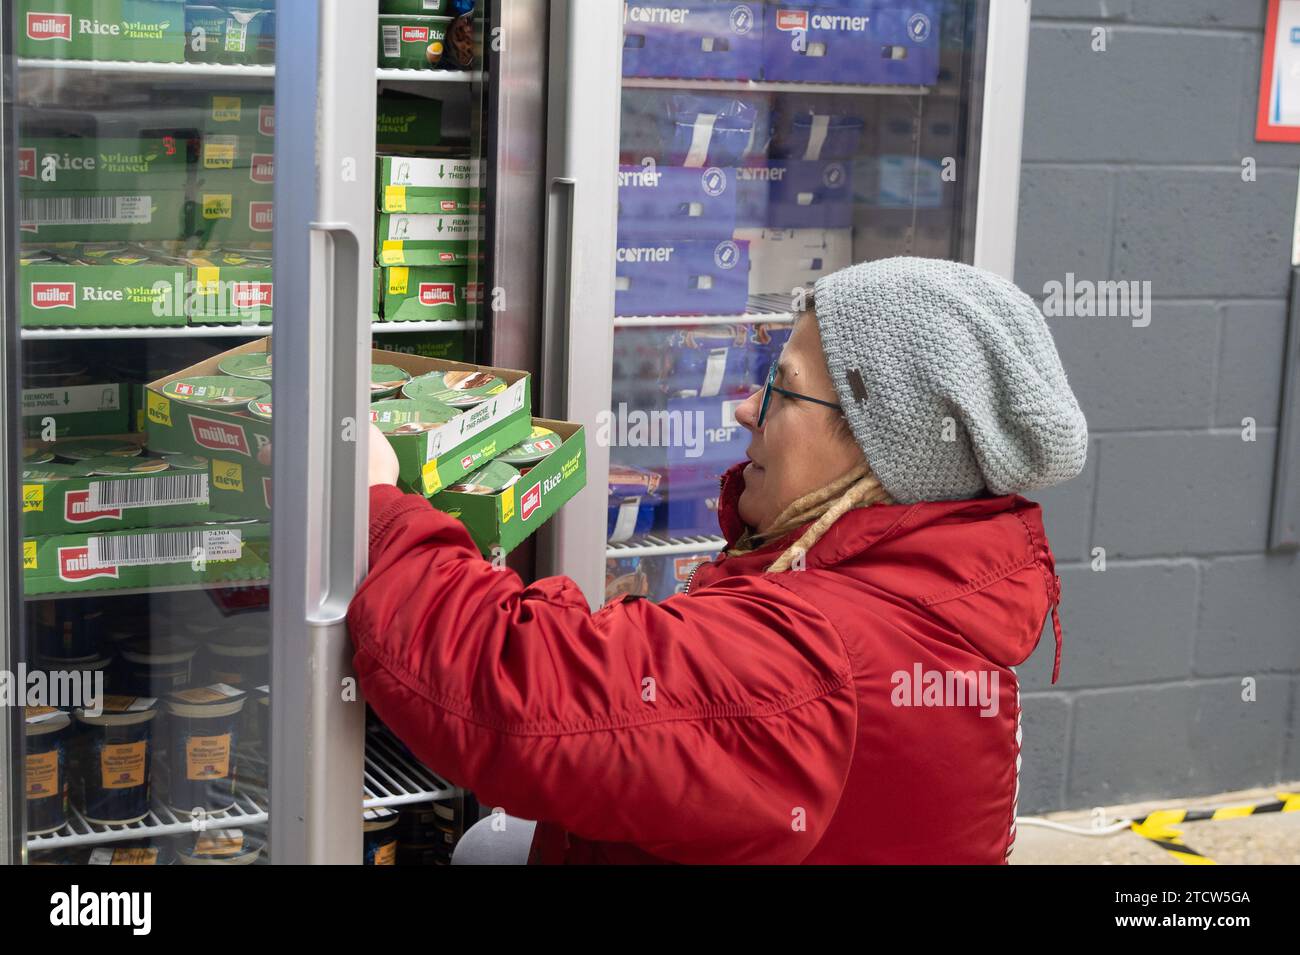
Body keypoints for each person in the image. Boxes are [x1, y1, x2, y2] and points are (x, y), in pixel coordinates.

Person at [347, 256, 1089, 864]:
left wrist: (379, 501)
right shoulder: (936, 596)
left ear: (878, 448)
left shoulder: (811, 661)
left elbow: (510, 689)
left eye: (783, 390)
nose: (744, 408)